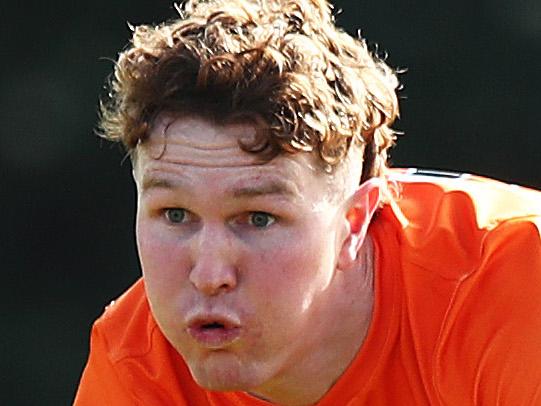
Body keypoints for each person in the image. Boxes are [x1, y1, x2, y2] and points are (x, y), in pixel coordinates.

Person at [74, 0, 541, 404]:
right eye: (175, 215)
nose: (210, 274)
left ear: (354, 221)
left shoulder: (516, 284)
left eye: (258, 218)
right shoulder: (135, 366)